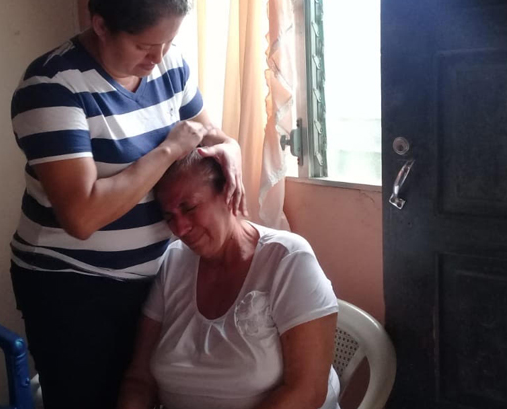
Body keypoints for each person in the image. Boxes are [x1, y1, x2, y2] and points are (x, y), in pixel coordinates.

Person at [8, 0, 245, 407]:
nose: (157, 59)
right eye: (144, 45)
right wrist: (167, 151)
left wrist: (230, 147)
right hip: (74, 288)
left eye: (168, 42)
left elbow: (206, 131)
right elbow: (83, 215)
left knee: (152, 394)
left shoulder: (168, 63)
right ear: (100, 25)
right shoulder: (52, 87)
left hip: (157, 277)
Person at [118, 151, 341, 409]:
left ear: (229, 193)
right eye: (169, 217)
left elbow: (307, 391)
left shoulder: (288, 260)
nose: (179, 229)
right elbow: (139, 379)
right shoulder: (172, 263)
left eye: (189, 208)